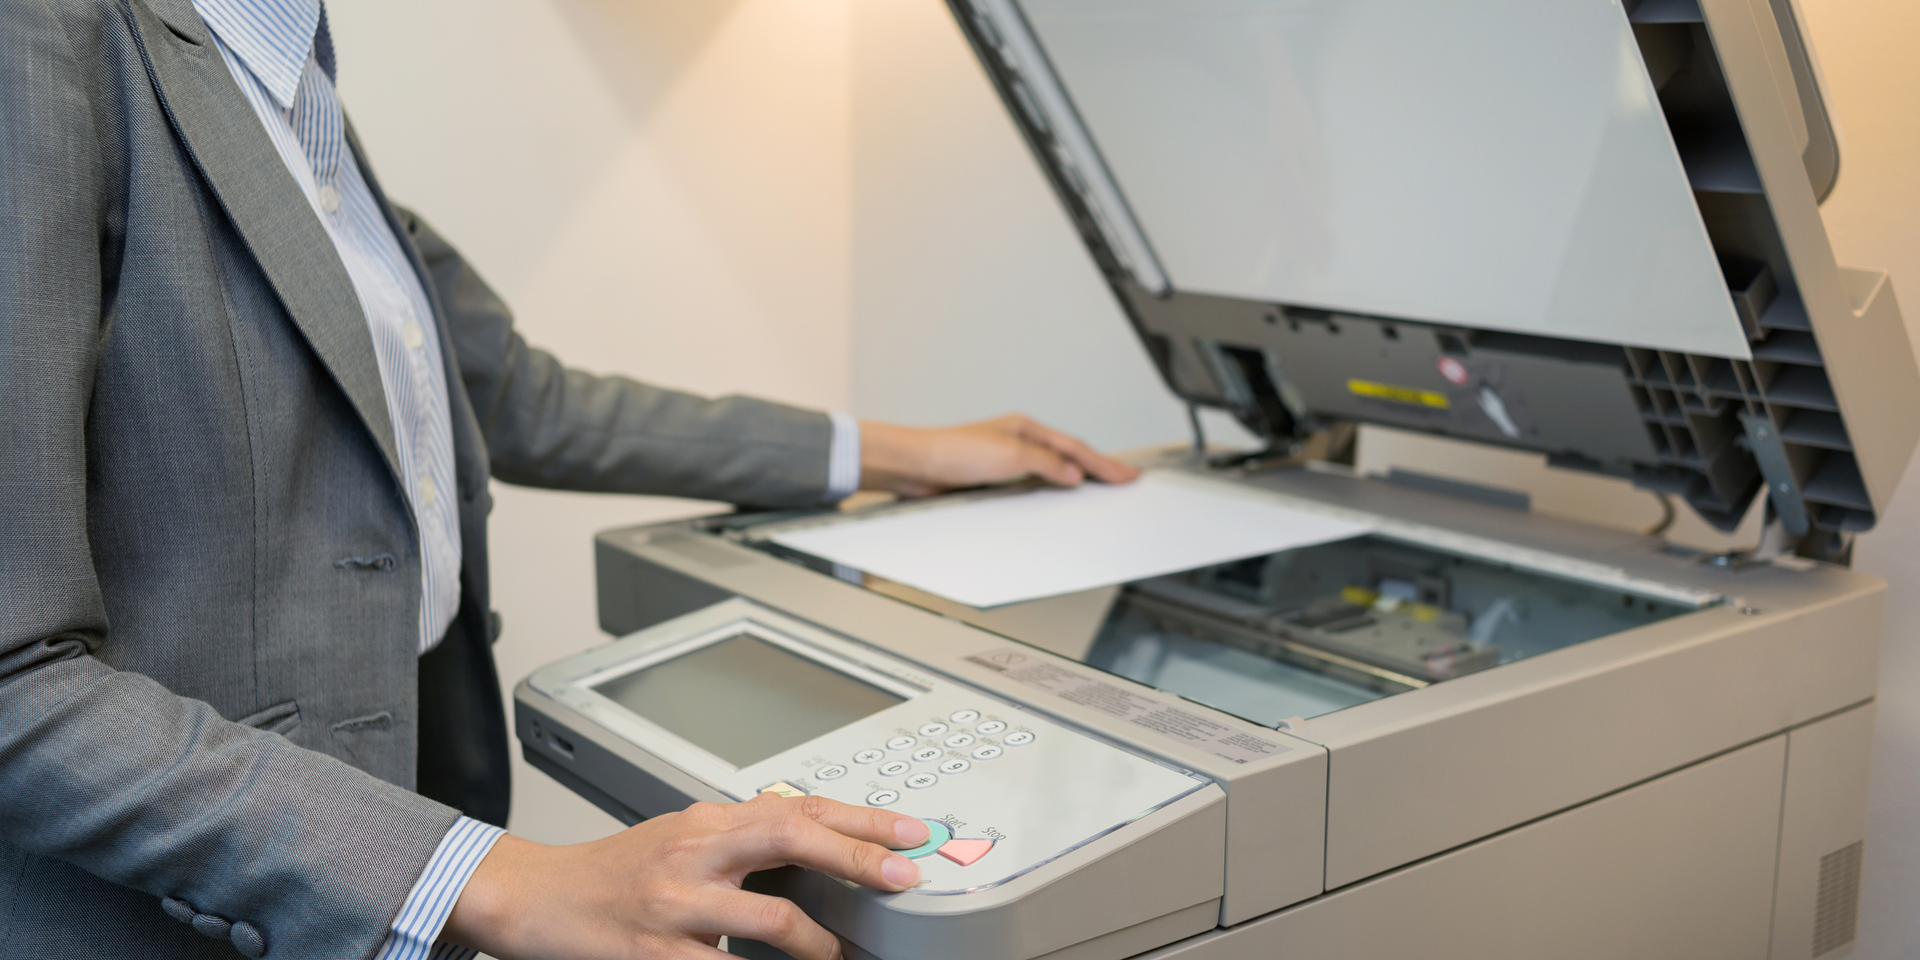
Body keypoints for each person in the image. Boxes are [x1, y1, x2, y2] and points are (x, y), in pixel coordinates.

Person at [0, 1, 1138, 957]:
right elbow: (14, 678)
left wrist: (893, 451)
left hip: (399, 801)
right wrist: (485, 880)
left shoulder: (282, 75)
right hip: (178, 900)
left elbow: (508, 397)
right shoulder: (43, 44)